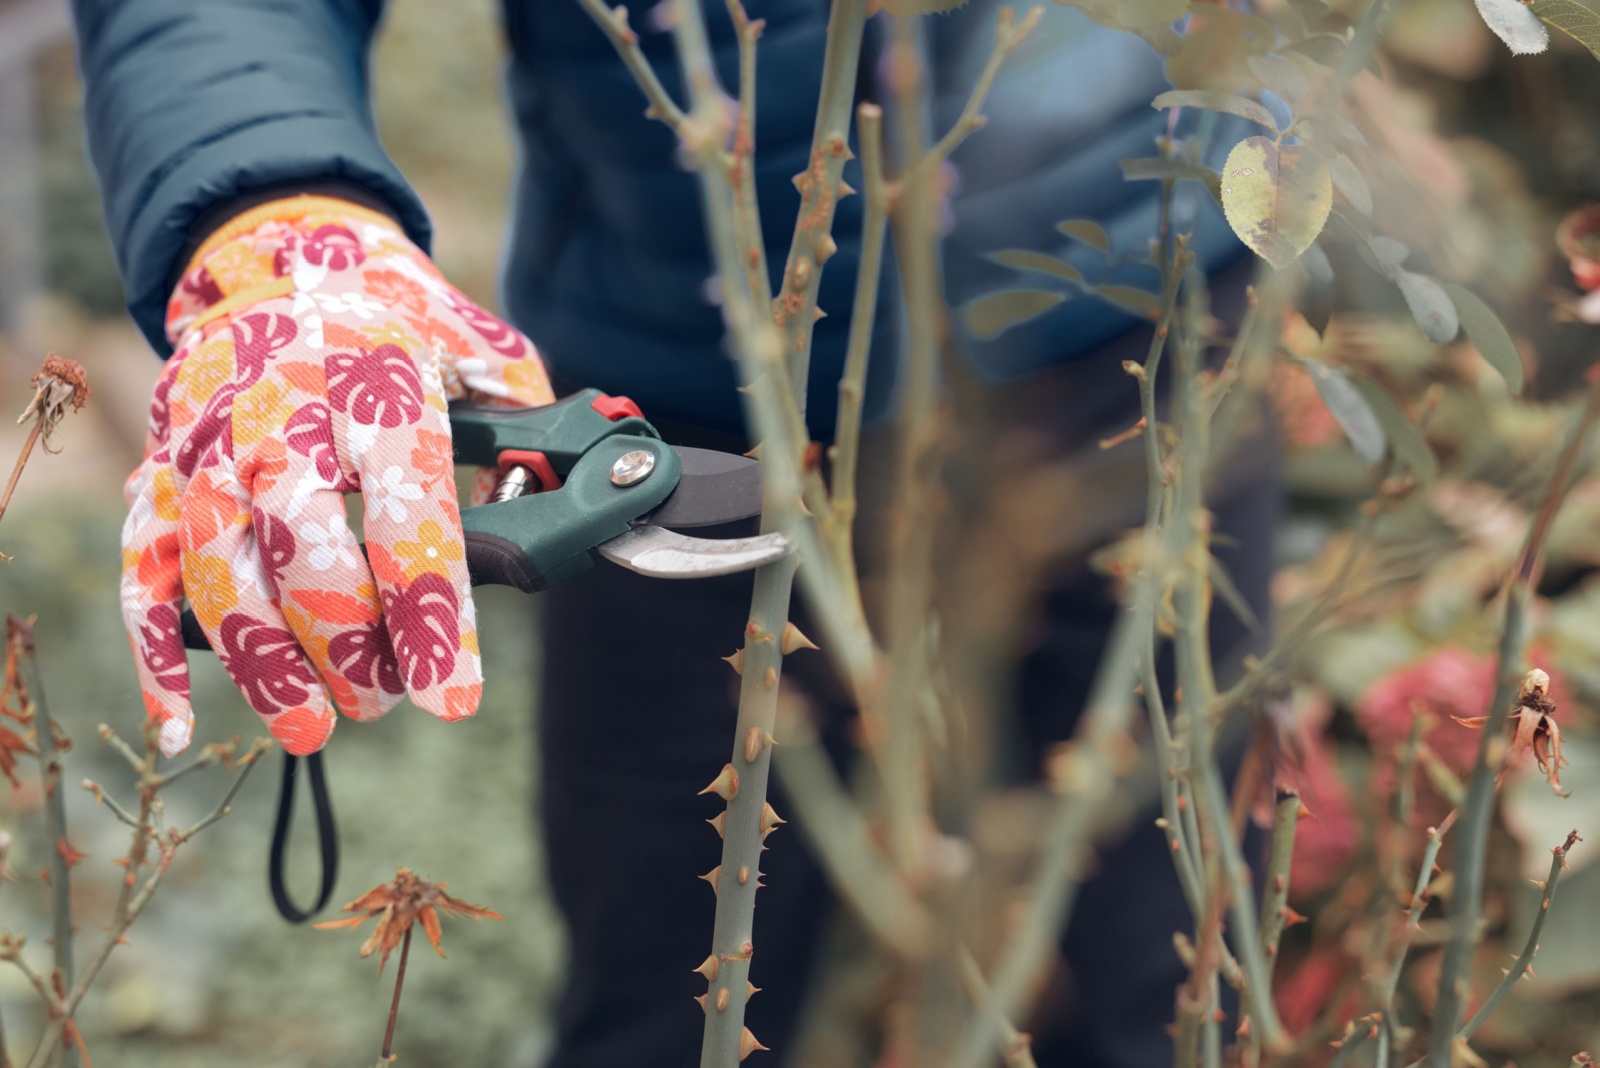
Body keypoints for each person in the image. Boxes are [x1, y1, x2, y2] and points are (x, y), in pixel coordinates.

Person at [72, 0, 1272, 1064]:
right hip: (679, 374)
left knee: (1157, 992)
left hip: (1140, 328)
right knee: (674, 998)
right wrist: (281, 221)